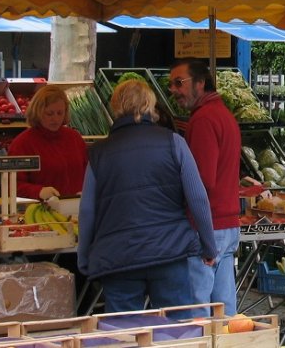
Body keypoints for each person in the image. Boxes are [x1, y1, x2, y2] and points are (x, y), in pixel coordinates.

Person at [77, 80, 217, 320]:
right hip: (169, 253)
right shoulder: (174, 142)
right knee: (177, 331)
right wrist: (209, 246)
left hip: (118, 257)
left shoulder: (99, 153)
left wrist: (83, 255)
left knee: (125, 335)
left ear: (115, 108)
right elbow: (198, 198)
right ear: (150, 105)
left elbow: (87, 210)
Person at [168, 59, 242, 315]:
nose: (173, 90)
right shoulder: (223, 115)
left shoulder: (202, 120)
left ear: (200, 83)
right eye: (171, 84)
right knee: (224, 311)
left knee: (197, 312)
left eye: (179, 83)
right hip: (227, 224)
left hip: (206, 226)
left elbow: (201, 181)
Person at [8, 85, 87, 200]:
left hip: (76, 208)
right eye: (49, 114)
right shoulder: (22, 144)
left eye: (60, 113)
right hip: (41, 211)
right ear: (37, 112)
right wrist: (39, 191)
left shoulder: (75, 138)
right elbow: (12, 185)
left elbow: (88, 172)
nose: (55, 119)